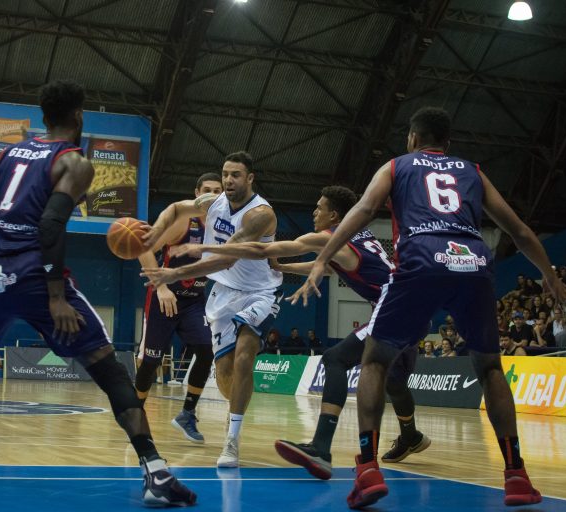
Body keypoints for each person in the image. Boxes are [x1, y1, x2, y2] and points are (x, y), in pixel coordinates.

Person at [0, 80, 195, 506]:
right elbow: (49, 224)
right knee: (109, 370)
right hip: (32, 276)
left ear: (43, 117)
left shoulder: (8, 153)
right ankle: (156, 473)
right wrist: (55, 296)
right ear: (79, 116)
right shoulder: (74, 162)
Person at [293, 106, 566, 508]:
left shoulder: (396, 166)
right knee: (490, 369)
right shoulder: (473, 171)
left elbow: (363, 210)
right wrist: (549, 275)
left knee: (374, 361)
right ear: (447, 142)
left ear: (412, 138)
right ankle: (516, 476)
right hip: (472, 261)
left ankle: (367, 468)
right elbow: (519, 230)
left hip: (421, 259)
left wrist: (323, 257)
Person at [170, 185, 429, 479]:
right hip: (412, 309)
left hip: (396, 311)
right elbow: (329, 268)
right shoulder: (359, 236)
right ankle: (410, 435)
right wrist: (284, 268)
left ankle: (321, 447)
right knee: (394, 380)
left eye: (319, 207)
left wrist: (209, 249)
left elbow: (266, 249)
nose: (314, 212)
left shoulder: (329, 238)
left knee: (334, 359)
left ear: (334, 215)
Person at [141, 150, 283, 468]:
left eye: (236, 175)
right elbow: (177, 208)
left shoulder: (260, 214)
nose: (228, 180)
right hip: (222, 294)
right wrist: (154, 233)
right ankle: (235, 403)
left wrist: (174, 273)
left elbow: (226, 258)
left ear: (250, 178)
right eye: (225, 174)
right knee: (225, 372)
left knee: (244, 355)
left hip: (260, 292)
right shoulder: (213, 202)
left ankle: (231, 441)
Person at [134, 172, 222, 444]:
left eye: (217, 190)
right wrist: (160, 287)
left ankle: (187, 414)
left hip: (194, 300)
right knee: (151, 362)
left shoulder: (223, 226)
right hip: (165, 299)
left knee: (206, 352)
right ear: (197, 193)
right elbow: (143, 248)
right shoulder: (184, 221)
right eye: (207, 189)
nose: (212, 194)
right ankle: (135, 416)